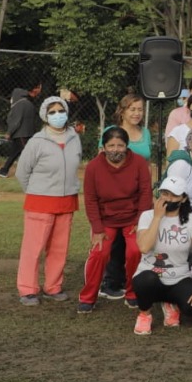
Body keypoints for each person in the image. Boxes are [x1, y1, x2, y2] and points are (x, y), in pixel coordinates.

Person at [15, 95, 82, 306]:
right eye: (52, 112)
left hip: (67, 201)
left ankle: (53, 287)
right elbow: (22, 172)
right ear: (45, 116)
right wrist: (36, 191)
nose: (57, 115)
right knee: (33, 248)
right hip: (39, 202)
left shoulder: (74, 138)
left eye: (60, 111)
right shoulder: (36, 141)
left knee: (59, 248)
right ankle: (28, 289)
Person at [78, 128, 152, 315]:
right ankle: (88, 297)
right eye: (111, 145)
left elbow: (145, 193)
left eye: (120, 145)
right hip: (105, 220)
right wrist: (97, 229)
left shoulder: (139, 163)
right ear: (103, 147)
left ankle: (132, 292)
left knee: (135, 250)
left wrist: (140, 221)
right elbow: (90, 199)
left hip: (132, 218)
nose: (115, 149)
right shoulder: (94, 167)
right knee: (99, 252)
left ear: (127, 146)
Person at [130, 176, 192, 334]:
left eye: (174, 195)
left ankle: (170, 304)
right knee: (146, 280)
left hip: (179, 277)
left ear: (183, 198)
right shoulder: (147, 216)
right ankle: (145, 314)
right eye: (165, 193)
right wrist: (157, 217)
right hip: (151, 274)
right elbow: (144, 247)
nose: (168, 199)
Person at [0, 82, 43, 178]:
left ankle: (39, 172)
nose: (11, 99)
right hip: (27, 133)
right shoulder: (29, 104)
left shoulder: (19, 105)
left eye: (12, 96)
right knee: (15, 153)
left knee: (28, 153)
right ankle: (4, 170)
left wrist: (9, 132)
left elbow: (17, 120)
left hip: (21, 134)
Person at [111, 93, 152, 160]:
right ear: (122, 112)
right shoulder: (111, 131)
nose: (137, 113)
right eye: (132, 109)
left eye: (140, 110)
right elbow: (101, 161)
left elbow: (147, 162)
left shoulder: (146, 132)